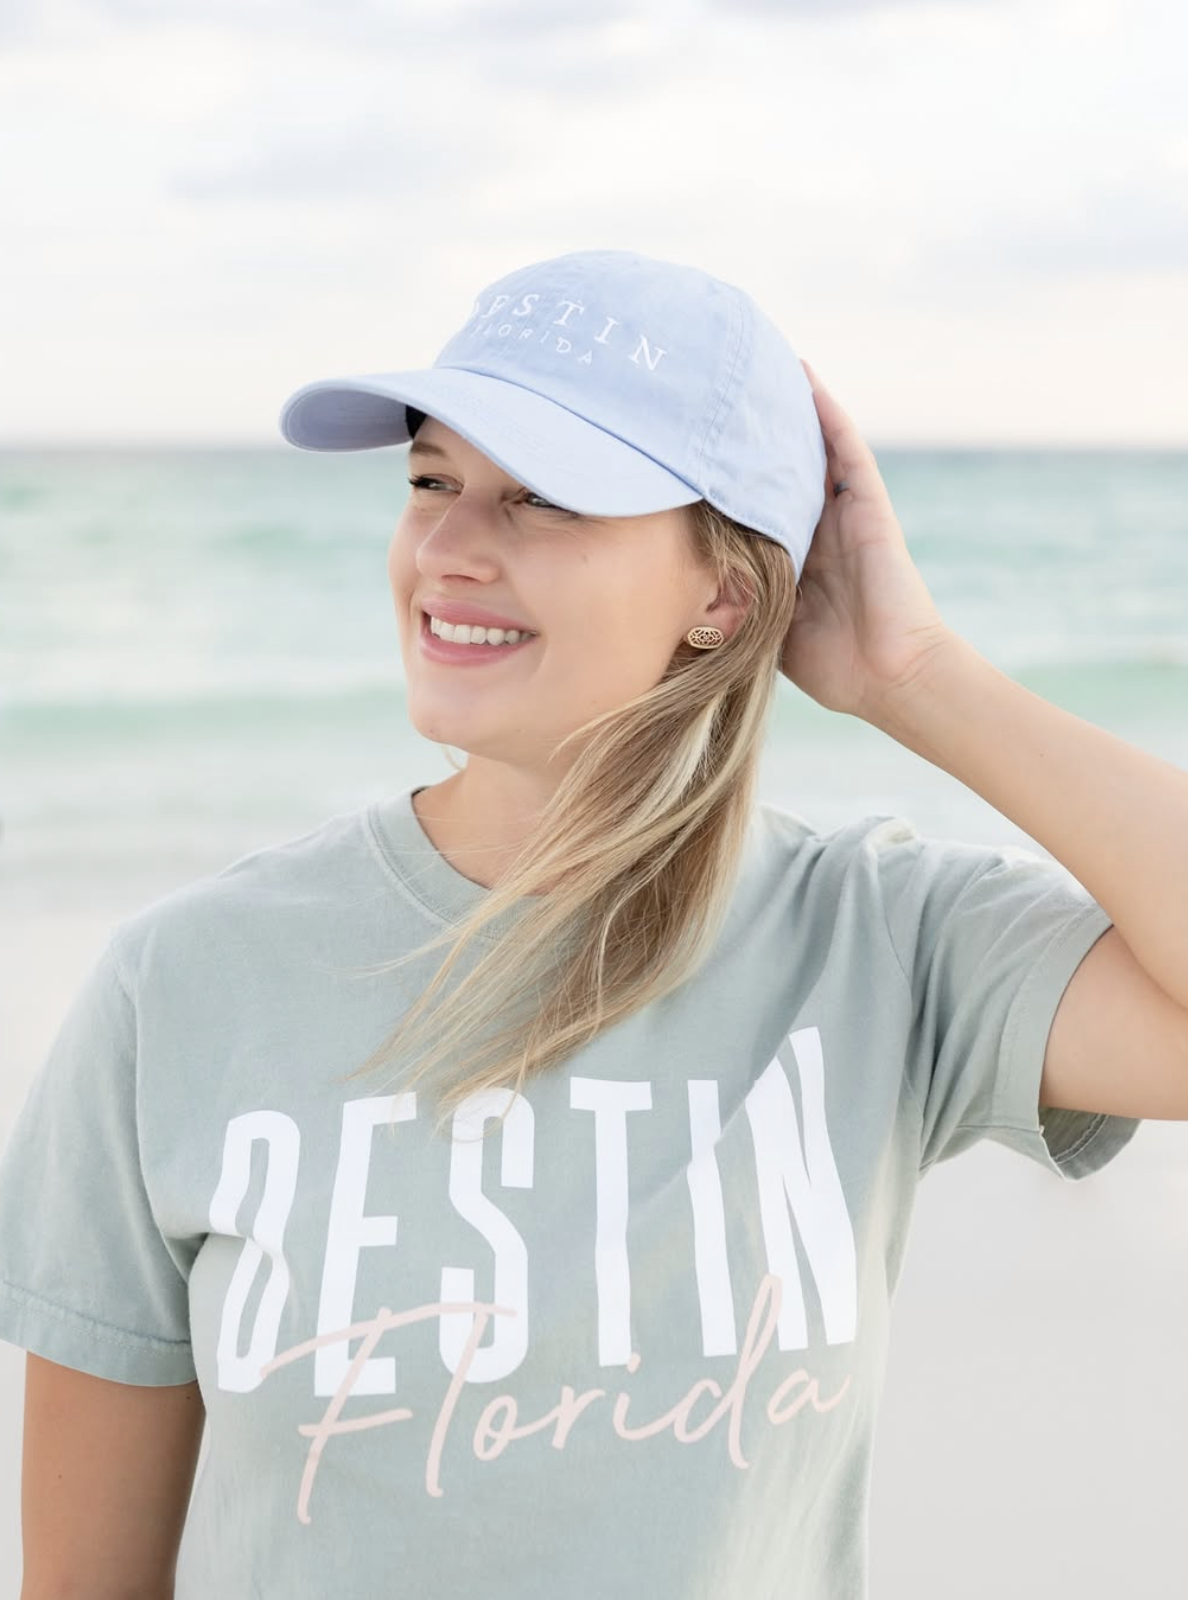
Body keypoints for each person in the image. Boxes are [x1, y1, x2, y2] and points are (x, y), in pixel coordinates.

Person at [1, 247, 1185, 1600]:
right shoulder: (186, 984)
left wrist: (915, 675)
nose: (448, 546)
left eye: (546, 500)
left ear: (724, 597)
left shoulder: (882, 944)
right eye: (431, 482)